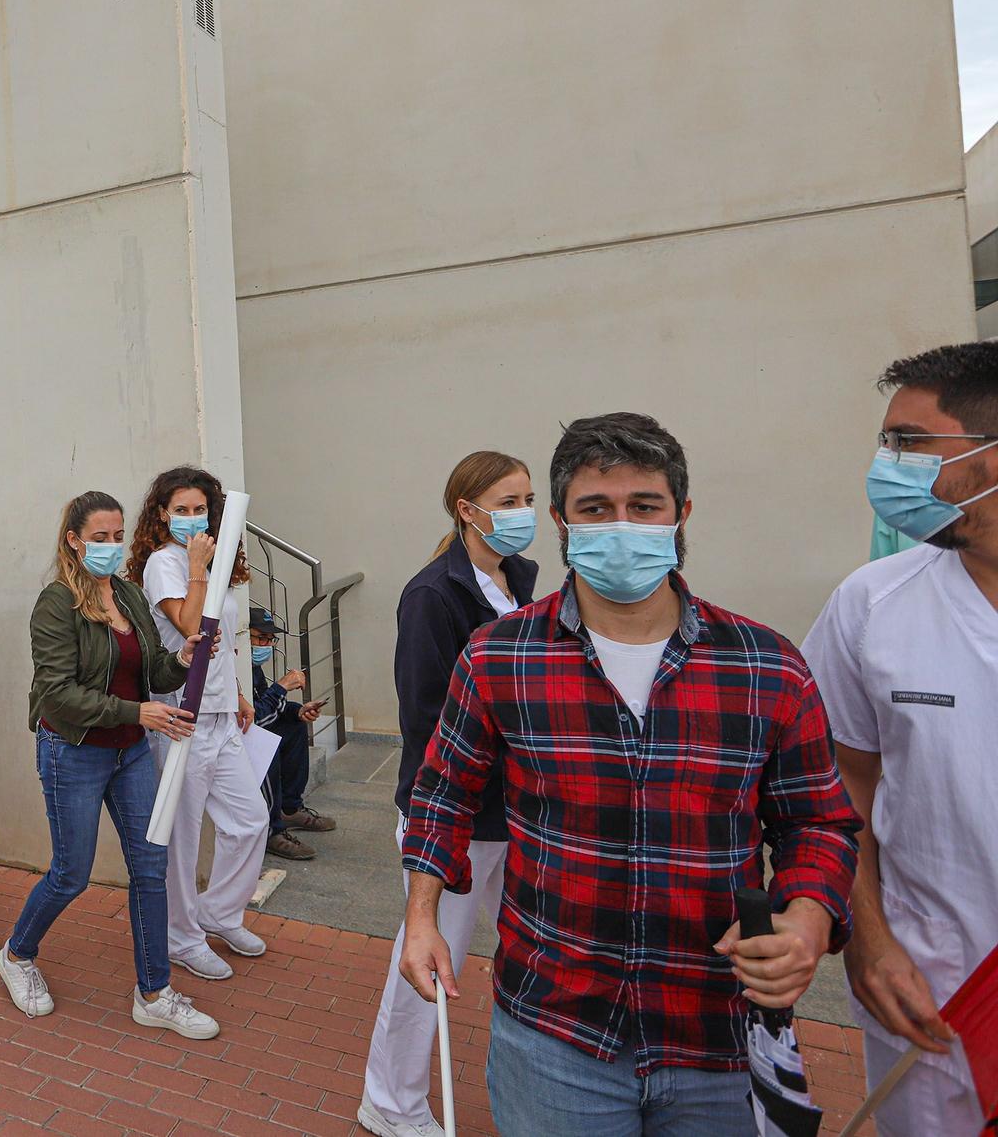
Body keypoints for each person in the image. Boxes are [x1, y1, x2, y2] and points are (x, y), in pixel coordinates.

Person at [400, 413, 862, 1136]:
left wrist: (806, 917)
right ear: (561, 520)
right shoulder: (497, 658)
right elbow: (443, 790)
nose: (622, 525)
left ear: (681, 513)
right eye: (596, 508)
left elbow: (819, 822)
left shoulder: (767, 665)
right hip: (554, 1034)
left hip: (716, 1036)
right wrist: (422, 914)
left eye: (643, 506)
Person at [803, 341, 998, 1136]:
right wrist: (869, 941)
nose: (888, 466)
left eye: (912, 444)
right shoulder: (872, 604)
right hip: (932, 996)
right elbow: (833, 783)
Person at [358, 450, 538, 1137]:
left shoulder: (517, 578)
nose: (524, 513)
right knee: (430, 959)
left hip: (516, 810)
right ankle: (391, 1099)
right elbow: (426, 718)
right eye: (509, 499)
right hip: (456, 815)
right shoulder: (433, 595)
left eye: (527, 498)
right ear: (469, 510)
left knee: (534, 949)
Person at [0, 490, 220, 1039]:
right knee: (71, 873)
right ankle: (18, 955)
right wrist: (137, 712)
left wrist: (182, 661)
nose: (112, 546)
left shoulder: (127, 593)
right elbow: (56, 694)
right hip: (73, 750)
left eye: (118, 536)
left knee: (150, 867)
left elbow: (148, 674)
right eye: (99, 537)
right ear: (73, 541)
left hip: (130, 752)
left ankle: (155, 992)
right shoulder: (56, 604)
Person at [129, 465, 269, 983]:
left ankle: (219, 914)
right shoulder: (166, 564)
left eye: (199, 509)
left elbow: (224, 637)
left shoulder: (219, 562)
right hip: (179, 716)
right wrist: (194, 566)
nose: (192, 518)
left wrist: (235, 690)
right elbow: (192, 625)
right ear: (162, 515)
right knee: (182, 839)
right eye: (180, 510)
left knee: (250, 819)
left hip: (219, 716)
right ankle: (182, 937)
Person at [248, 607, 331, 862]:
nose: (266, 645)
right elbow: (256, 719)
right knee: (266, 740)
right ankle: (272, 830)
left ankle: (290, 808)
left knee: (294, 727)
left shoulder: (253, 667)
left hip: (250, 728)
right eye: (259, 638)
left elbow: (265, 702)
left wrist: (298, 711)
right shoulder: (232, 662)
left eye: (269, 640)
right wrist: (281, 686)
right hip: (237, 736)